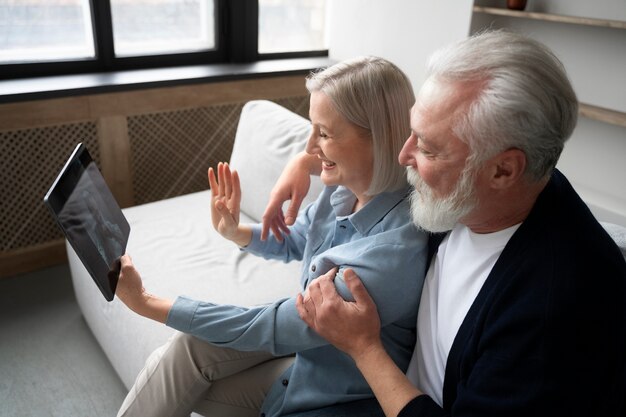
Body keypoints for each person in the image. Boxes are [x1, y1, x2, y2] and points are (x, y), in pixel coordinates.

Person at [264, 31, 626, 416]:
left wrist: (364, 348)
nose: (404, 156)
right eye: (412, 132)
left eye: (427, 147)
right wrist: (305, 163)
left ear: (503, 170)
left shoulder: (557, 308)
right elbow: (376, 163)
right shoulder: (482, 192)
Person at [114, 56, 429, 417]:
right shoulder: (342, 191)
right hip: (306, 359)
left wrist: (145, 302)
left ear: (379, 137)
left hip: (333, 392)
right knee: (186, 353)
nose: (310, 147)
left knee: (183, 373)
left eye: (323, 133)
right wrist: (236, 231)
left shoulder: (392, 253)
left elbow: (272, 325)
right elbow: (296, 239)